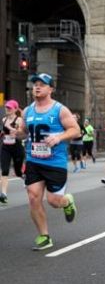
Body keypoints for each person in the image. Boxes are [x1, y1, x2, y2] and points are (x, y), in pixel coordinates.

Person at [16, 73, 80, 250]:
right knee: (33, 197)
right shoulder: (28, 110)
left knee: (53, 201)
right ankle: (44, 236)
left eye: (42, 84)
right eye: (35, 84)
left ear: (51, 89)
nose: (37, 87)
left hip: (55, 162)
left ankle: (67, 202)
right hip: (34, 160)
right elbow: (23, 132)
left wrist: (59, 137)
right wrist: (17, 132)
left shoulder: (60, 110)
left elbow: (75, 130)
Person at [0, 99, 24, 204]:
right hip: (6, 148)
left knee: (18, 172)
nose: (7, 109)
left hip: (17, 148)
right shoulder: (3, 119)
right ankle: (3, 195)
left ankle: (24, 177)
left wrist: (11, 129)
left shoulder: (19, 120)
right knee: (4, 170)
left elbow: (17, 132)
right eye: (6, 107)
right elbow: (3, 132)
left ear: (15, 109)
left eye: (9, 107)